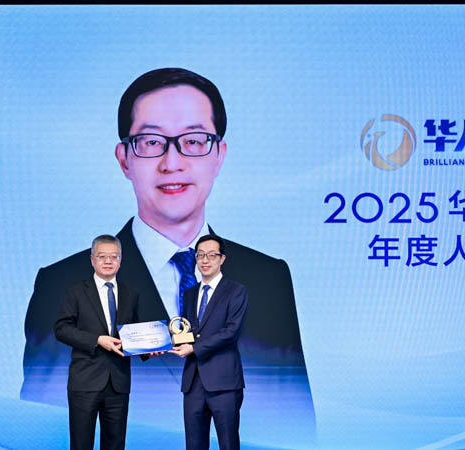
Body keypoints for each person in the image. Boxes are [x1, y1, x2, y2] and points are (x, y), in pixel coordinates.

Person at [22, 67, 315, 441]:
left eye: (194, 141)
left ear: (219, 155)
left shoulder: (268, 278)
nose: (172, 163)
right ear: (124, 159)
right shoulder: (61, 282)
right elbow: (39, 424)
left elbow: (296, 424)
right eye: (150, 142)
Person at [54, 235, 142, 450]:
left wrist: (149, 350)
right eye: (102, 256)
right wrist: (96, 340)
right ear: (92, 259)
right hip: (85, 381)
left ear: (120, 260)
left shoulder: (130, 293)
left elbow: (133, 332)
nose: (108, 261)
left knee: (115, 444)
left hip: (118, 383)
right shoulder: (76, 291)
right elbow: (61, 329)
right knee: (81, 444)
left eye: (114, 256)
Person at [170, 235, 246, 450]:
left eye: (211, 255)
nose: (205, 260)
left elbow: (231, 331)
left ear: (222, 259)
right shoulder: (190, 293)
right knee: (194, 444)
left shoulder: (236, 291)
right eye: (200, 255)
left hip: (224, 382)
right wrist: (160, 345)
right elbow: (186, 331)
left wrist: (194, 348)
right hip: (193, 382)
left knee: (228, 444)